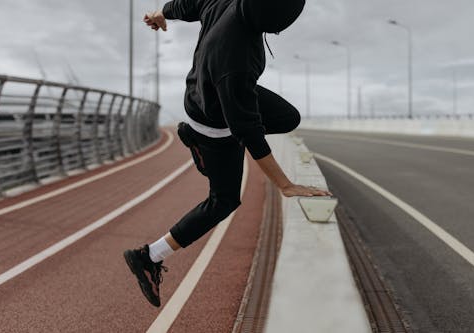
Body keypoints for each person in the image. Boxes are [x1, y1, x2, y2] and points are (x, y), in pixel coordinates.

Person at [123, 0, 332, 307]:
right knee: (225, 200)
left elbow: (187, 5)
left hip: (205, 92)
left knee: (288, 118)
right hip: (210, 120)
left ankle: (212, 143)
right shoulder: (237, 62)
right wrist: (285, 185)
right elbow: (250, 134)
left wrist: (160, 13)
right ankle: (148, 256)